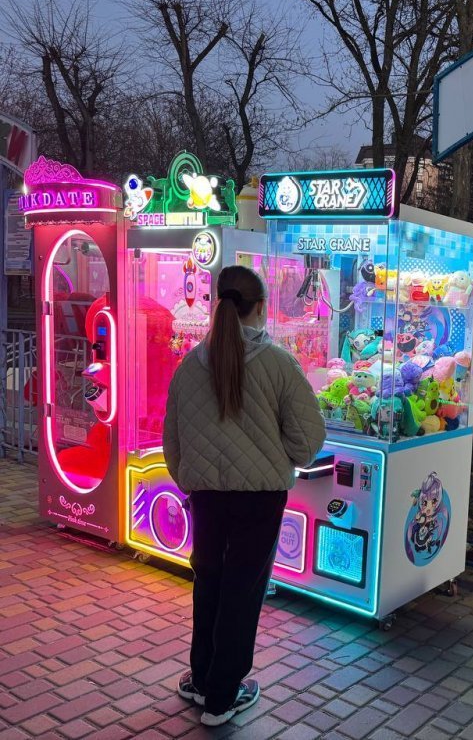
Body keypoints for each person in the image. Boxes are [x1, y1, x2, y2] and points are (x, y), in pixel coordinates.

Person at [164, 265, 325, 726]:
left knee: (209, 582)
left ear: (218, 304)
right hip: (260, 499)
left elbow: (172, 441)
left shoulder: (189, 365)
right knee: (242, 591)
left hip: (207, 499)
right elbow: (307, 441)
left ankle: (202, 680)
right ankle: (222, 697)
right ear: (261, 307)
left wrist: (192, 480)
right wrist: (277, 456)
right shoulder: (279, 363)